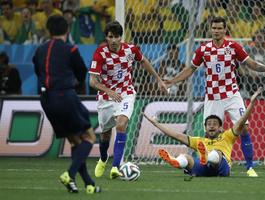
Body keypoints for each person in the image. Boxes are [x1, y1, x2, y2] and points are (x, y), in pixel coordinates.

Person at [165, 17, 265, 177]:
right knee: (209, 133)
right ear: (210, 29)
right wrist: (172, 81)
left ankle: (250, 167)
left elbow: (249, 63)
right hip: (213, 97)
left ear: (225, 30)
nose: (216, 30)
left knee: (244, 127)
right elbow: (191, 69)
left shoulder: (233, 46)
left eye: (219, 28)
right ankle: (208, 165)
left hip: (232, 94)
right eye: (214, 28)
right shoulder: (203, 49)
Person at [89, 20, 168, 179]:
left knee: (121, 124)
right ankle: (103, 158)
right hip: (106, 97)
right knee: (105, 134)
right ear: (106, 37)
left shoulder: (130, 49)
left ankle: (116, 167)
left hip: (126, 93)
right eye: (110, 37)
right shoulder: (100, 53)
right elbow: (92, 81)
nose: (113, 40)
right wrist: (108, 91)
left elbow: (144, 61)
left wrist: (158, 79)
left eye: (116, 37)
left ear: (120, 37)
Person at [32, 15, 100, 194]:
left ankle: (89, 184)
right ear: (67, 30)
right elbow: (81, 71)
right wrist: (76, 84)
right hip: (64, 96)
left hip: (46, 100)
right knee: (89, 137)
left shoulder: (39, 50)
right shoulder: (70, 49)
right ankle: (69, 174)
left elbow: (37, 70)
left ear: (49, 31)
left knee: (75, 142)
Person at [143, 87, 263, 177]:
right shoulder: (199, 141)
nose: (211, 126)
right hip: (203, 168)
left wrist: (251, 103)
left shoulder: (227, 136)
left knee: (218, 153)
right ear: (205, 128)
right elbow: (176, 135)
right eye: (209, 124)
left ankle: (207, 156)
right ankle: (177, 161)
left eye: (215, 124)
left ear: (220, 128)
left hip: (222, 168)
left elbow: (241, 122)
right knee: (187, 157)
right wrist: (156, 124)